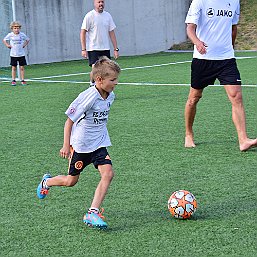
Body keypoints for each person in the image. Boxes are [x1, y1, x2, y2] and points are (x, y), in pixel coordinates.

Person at [37, 57, 121, 229]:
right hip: (81, 146)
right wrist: (66, 145)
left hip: (99, 144)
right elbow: (69, 121)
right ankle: (47, 182)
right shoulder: (88, 97)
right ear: (99, 80)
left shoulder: (111, 95)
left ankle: (92, 212)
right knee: (70, 181)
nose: (116, 83)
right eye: (113, 80)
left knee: (108, 174)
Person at [184, 0, 257, 152]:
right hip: (203, 60)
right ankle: (189, 134)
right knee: (193, 99)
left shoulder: (234, 2)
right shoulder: (200, 1)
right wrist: (197, 43)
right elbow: (190, 28)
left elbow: (233, 28)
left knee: (236, 96)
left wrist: (228, 49)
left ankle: (243, 140)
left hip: (226, 60)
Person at [80, 0, 119, 87]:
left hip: (105, 48)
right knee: (95, 68)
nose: (101, 4)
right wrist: (83, 49)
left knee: (106, 70)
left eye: (102, 2)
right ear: (94, 3)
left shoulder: (108, 16)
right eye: (98, 2)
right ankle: (92, 84)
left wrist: (116, 49)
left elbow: (112, 33)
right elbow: (83, 32)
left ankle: (104, 88)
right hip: (93, 48)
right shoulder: (89, 16)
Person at [3, 21, 30, 86]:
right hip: (13, 54)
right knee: (14, 67)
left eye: (18, 28)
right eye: (15, 28)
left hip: (21, 54)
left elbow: (27, 40)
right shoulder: (10, 35)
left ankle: (23, 80)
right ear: (12, 28)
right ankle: (13, 80)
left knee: (22, 68)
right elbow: (4, 40)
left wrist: (24, 45)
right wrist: (7, 45)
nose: (16, 29)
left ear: (19, 28)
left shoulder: (22, 34)